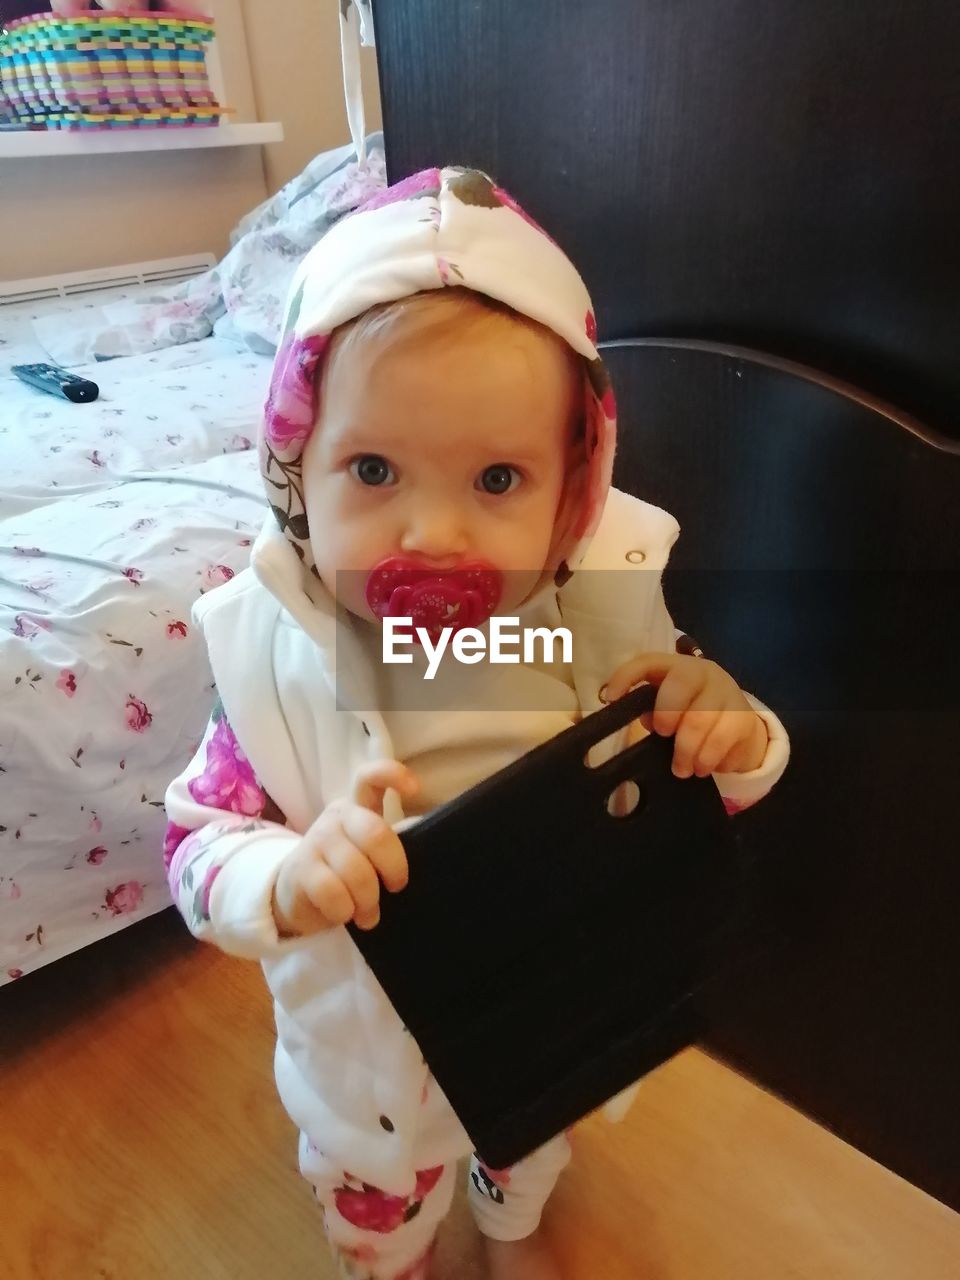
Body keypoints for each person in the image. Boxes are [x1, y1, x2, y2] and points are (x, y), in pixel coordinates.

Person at [164, 167, 789, 1280]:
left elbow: (712, 780)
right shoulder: (271, 656)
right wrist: (286, 872)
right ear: (294, 471)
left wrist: (726, 729)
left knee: (530, 1140)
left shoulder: (593, 626)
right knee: (376, 1210)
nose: (436, 532)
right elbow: (197, 841)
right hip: (365, 1074)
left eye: (498, 476)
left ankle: (512, 1221)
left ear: (573, 498)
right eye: (373, 468)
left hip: (545, 1012)